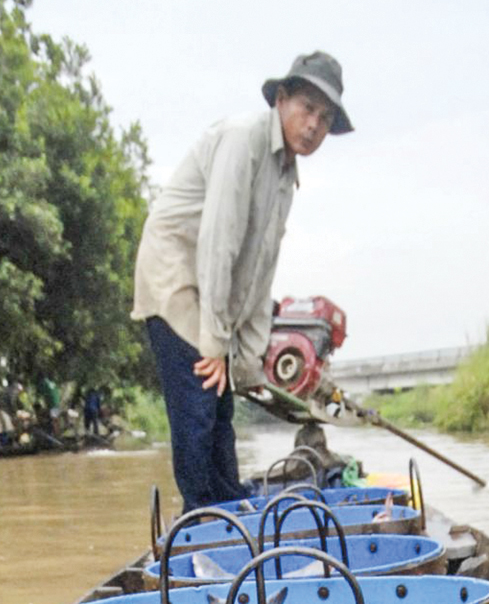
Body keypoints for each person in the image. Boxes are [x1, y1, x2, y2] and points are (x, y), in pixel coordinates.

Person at [132, 50, 351, 512]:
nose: (314, 125)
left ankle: (228, 507)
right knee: (198, 409)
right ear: (282, 99)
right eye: (307, 108)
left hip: (211, 290)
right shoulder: (242, 140)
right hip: (176, 276)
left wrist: (247, 358)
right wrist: (215, 343)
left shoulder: (286, 175)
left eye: (324, 118)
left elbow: (258, 270)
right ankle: (202, 519)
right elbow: (218, 242)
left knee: (222, 408)